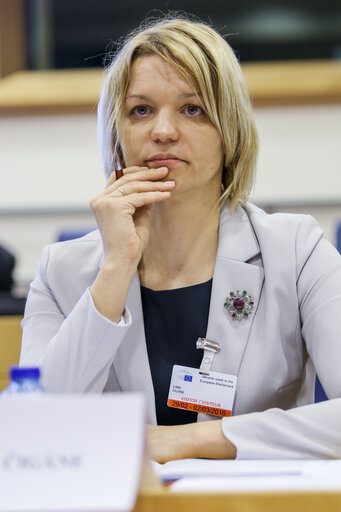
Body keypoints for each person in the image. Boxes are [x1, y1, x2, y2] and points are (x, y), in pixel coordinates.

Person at [20, 16, 341, 462]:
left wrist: (184, 442)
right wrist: (115, 269)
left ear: (230, 132)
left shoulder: (296, 251)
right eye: (141, 110)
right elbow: (33, 429)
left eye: (192, 109)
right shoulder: (62, 271)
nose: (163, 131)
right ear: (117, 137)